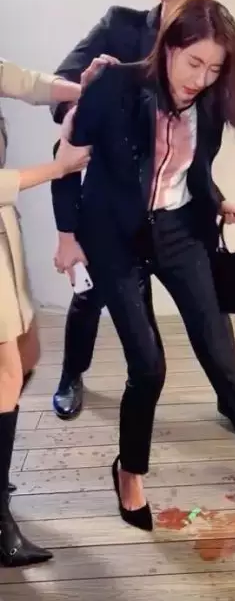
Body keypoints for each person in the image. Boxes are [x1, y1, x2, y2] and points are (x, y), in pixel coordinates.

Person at [53, 0, 235, 530]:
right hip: (114, 236)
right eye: (194, 62)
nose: (201, 79)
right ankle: (129, 471)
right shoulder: (114, 85)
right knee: (148, 365)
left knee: (216, 345)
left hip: (178, 230)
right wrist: (66, 236)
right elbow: (67, 164)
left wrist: (217, 200)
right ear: (168, 47)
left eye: (215, 68)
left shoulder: (210, 103)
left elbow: (193, 170)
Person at [51, 0, 235, 421]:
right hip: (115, 199)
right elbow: (63, 85)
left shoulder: (207, 45)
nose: (202, 3)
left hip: (172, 211)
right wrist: (89, 97)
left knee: (209, 305)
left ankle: (232, 397)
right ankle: (71, 374)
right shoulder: (122, 26)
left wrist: (214, 196)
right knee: (92, 293)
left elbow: (194, 144)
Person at [0, 59, 90, 567]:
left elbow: (27, 83)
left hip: (3, 239)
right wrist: (59, 168)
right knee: (7, 372)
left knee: (28, 352)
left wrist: (86, 89)